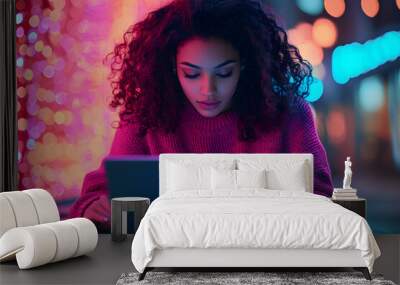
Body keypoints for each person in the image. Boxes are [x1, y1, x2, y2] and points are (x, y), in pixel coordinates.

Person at [69, 0, 334, 232]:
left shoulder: (289, 114)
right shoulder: (145, 116)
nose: (208, 90)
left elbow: (322, 197)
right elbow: (99, 192)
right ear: (171, 67)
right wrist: (95, 208)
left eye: (224, 73)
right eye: (192, 74)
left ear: (246, 65)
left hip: (264, 252)